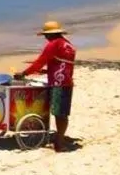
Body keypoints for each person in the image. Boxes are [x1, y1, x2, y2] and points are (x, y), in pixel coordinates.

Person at [15, 20, 76, 152]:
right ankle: (60, 138)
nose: (45, 38)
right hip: (67, 82)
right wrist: (48, 71)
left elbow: (40, 62)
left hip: (58, 83)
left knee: (59, 114)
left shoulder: (53, 45)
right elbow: (64, 64)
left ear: (50, 35)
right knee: (62, 113)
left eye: (46, 35)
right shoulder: (68, 45)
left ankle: (59, 144)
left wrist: (24, 73)